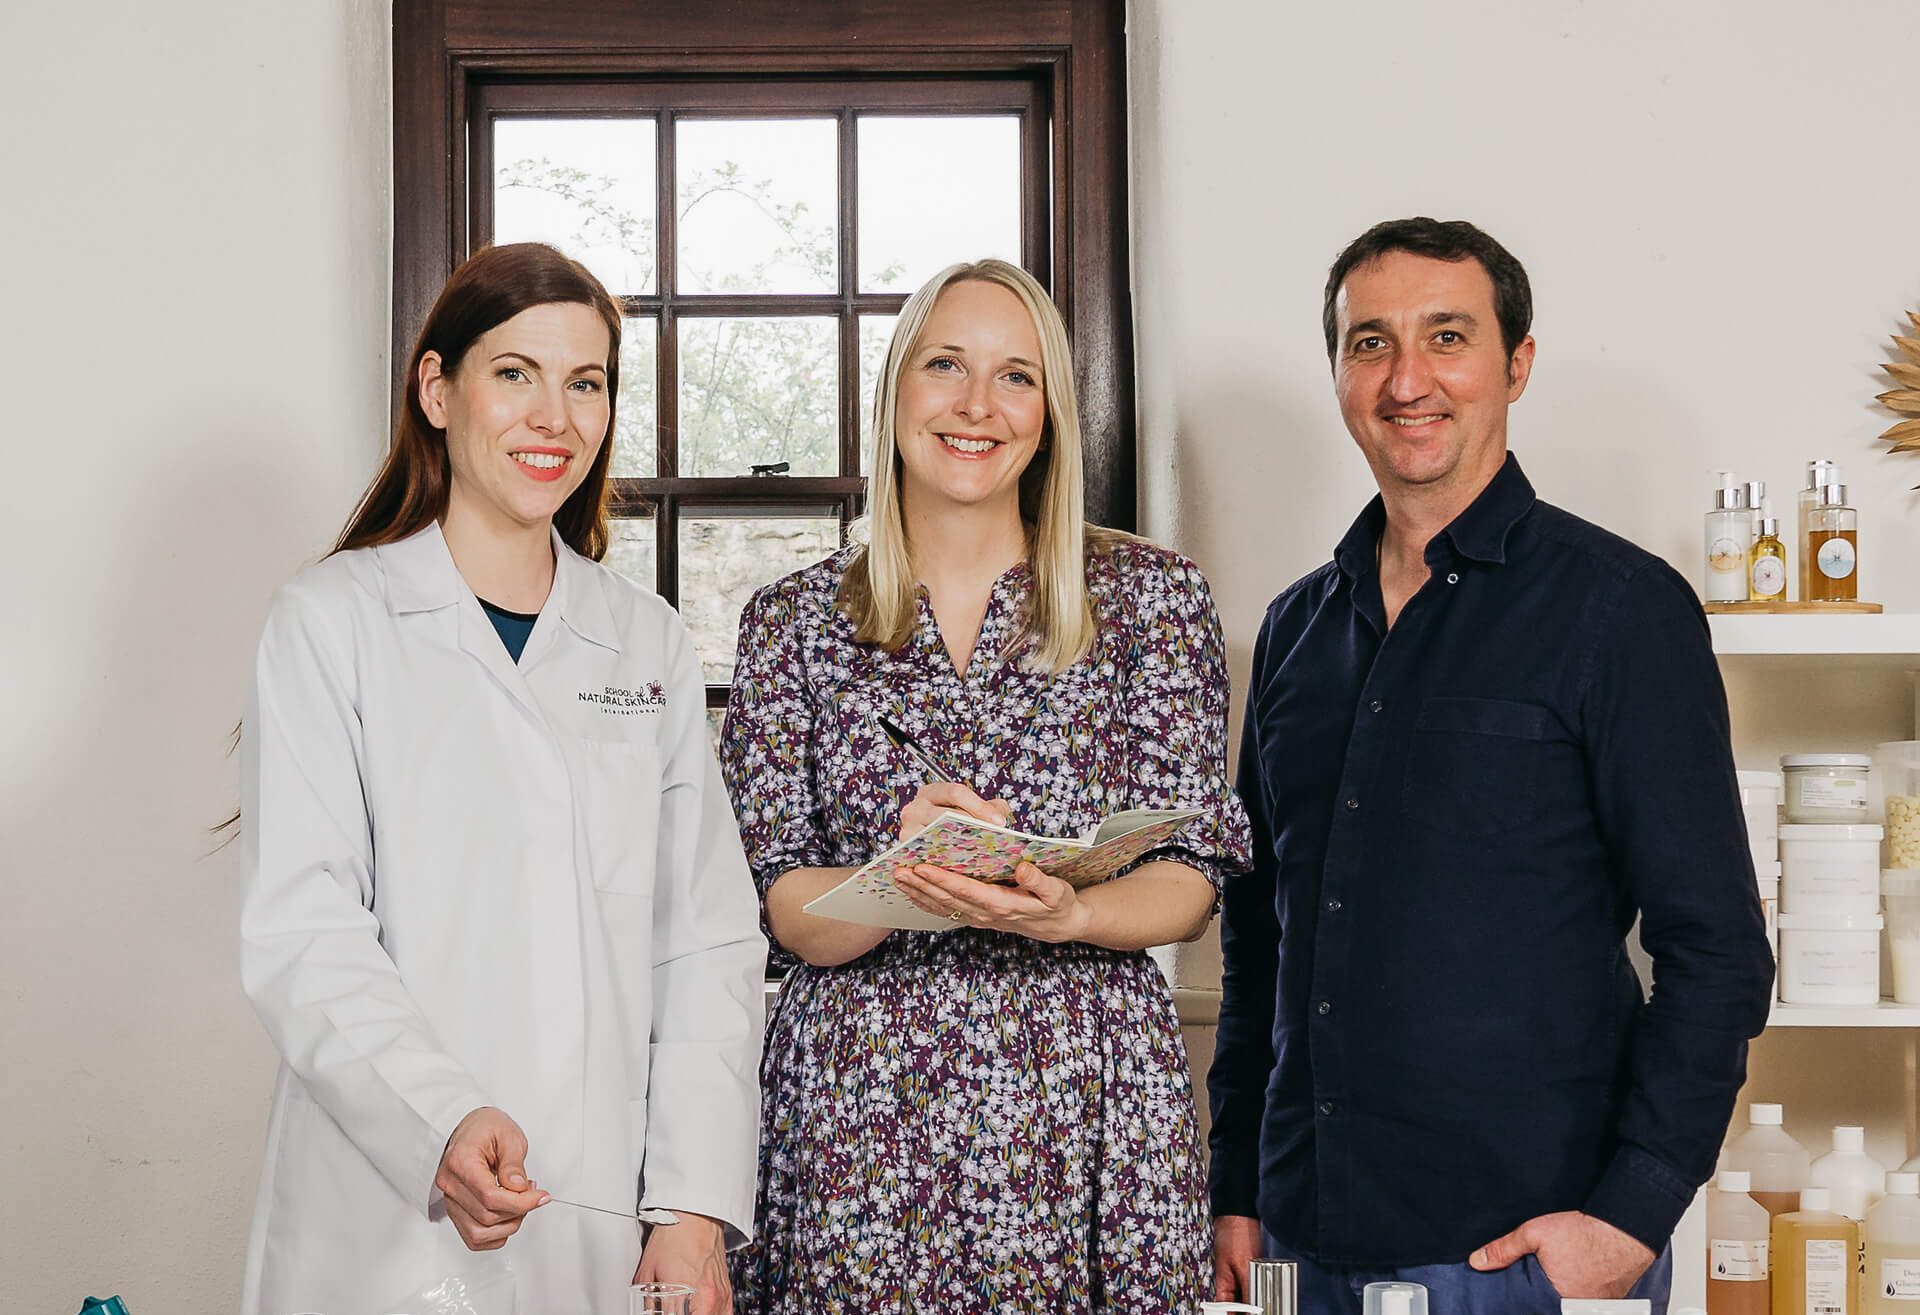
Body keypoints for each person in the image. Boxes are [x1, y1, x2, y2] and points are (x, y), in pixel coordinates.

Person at [1208, 218, 1776, 1314]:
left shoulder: (1620, 610)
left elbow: (1717, 946)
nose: (1407, 379)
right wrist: (1236, 1183)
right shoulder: (1293, 630)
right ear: (1337, 371)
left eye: (1448, 336)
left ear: (1516, 363)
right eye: (1370, 342)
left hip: (1519, 1256)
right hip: (1300, 1240)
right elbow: (1258, 933)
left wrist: (1629, 1215)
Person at [238, 242, 766, 1315]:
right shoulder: (333, 621)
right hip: (382, 1220)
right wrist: (435, 1120)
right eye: (515, 373)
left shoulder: (645, 644)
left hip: (601, 1216)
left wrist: (693, 1210)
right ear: (438, 390)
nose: (555, 419)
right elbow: (305, 926)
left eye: (587, 383)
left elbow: (704, 942)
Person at [719, 258, 1252, 1313]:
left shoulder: (1152, 600)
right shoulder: (792, 621)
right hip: (860, 1115)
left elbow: (1193, 876)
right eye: (946, 366)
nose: (976, 406)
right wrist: (898, 878)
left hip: (1089, 1097)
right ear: (895, 392)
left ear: (1050, 410)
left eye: (1015, 377)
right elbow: (781, 906)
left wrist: (1072, 911)